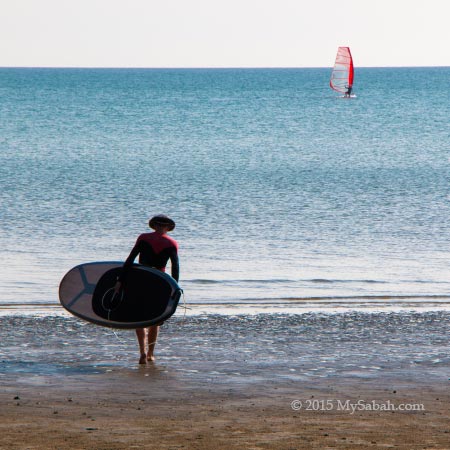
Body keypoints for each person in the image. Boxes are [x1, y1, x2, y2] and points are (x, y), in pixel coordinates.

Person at [115, 214, 179, 364]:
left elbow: (130, 260)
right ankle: (150, 353)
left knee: (139, 318)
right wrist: (174, 286)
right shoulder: (171, 243)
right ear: (167, 228)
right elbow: (175, 267)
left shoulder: (143, 238)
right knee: (155, 320)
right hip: (159, 282)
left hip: (140, 279)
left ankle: (143, 353)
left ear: (154, 226)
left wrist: (120, 280)